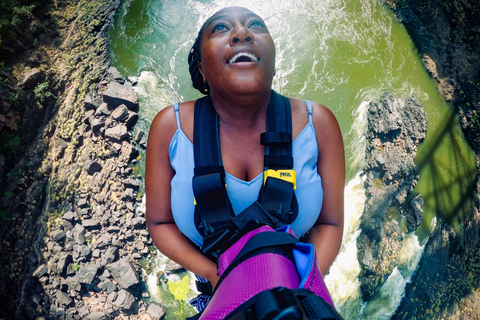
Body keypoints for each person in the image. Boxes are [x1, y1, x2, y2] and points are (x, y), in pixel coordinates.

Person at [145, 6, 344, 296]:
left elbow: (330, 222)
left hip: (295, 291)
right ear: (201, 69)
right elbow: (160, 222)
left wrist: (304, 286)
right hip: (215, 288)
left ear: (273, 62)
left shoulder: (320, 124)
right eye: (221, 29)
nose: (242, 33)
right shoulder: (169, 127)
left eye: (255, 24)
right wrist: (215, 278)